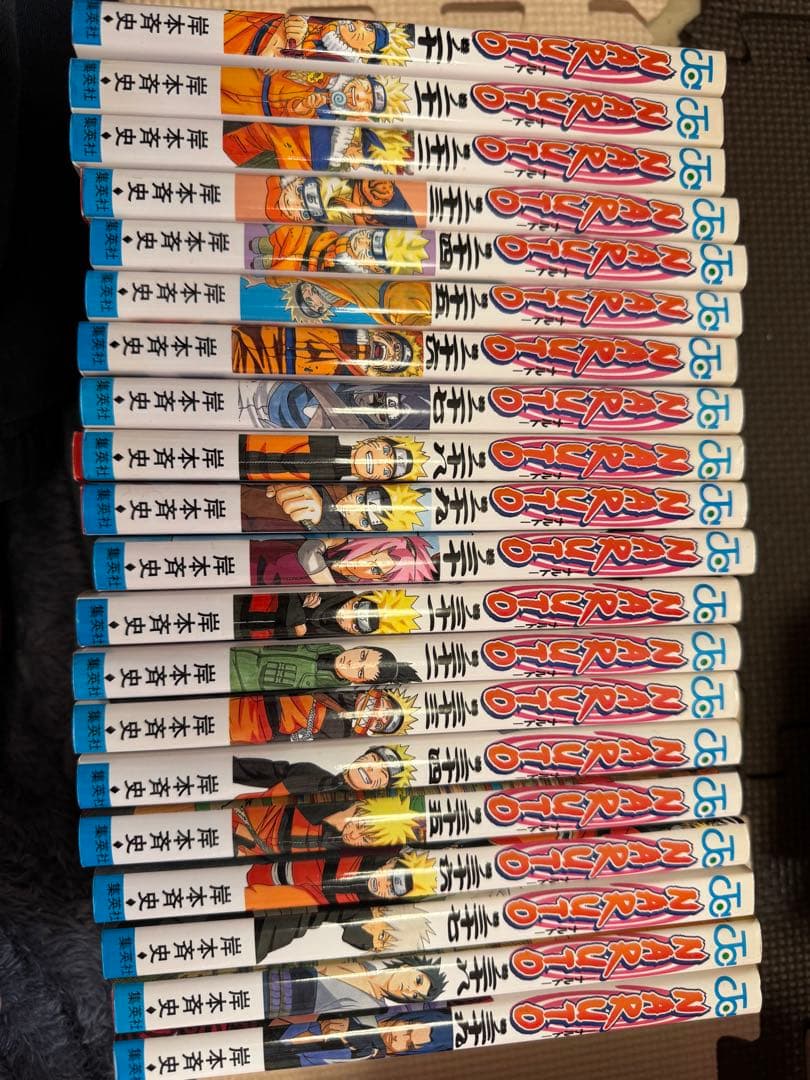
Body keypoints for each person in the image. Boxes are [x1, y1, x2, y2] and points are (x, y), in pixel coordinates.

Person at [243, 847, 437, 909]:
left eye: (392, 890)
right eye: (390, 877)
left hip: (272, 896)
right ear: (391, 862)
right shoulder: (360, 853)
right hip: (268, 864)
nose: (383, 885)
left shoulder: (361, 906)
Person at [228, 685, 418, 743]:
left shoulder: (345, 733)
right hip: (260, 699)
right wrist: (341, 711)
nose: (377, 715)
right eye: (385, 709)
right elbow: (319, 695)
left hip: (263, 728)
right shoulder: (347, 684)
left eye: (380, 724)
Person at [262, 1009, 453, 1067]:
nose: (398, 1038)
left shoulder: (371, 1053)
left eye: (409, 1044)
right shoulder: (376, 1008)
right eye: (408, 1029)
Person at [231, 323, 423, 377]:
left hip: (287, 365)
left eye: (395, 361)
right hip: (286, 337)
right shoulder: (359, 333)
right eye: (396, 347)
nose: (392, 354)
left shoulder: (357, 370)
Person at [248, 535, 439, 587]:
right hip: (255, 556)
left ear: (380, 579)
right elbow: (308, 552)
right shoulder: (339, 543)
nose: (364, 561)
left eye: (375, 569)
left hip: (259, 584)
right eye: (373, 553)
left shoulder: (347, 587)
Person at [229, 641, 421, 693]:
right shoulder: (323, 645)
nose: (352, 662)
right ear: (359, 647)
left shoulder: (323, 687)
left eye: (360, 671)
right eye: (362, 655)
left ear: (358, 681)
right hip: (238, 652)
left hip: (239, 681)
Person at [233, 587, 421, 639]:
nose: (346, 616)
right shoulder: (336, 590)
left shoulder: (337, 636)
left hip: (254, 631)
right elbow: (287, 586)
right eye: (356, 607)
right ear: (361, 595)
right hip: (248, 604)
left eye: (357, 625)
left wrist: (298, 628)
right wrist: (301, 607)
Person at [240, 482, 429, 533]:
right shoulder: (340, 481)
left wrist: (322, 516)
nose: (351, 509)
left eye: (364, 521)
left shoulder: (337, 530)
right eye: (360, 499)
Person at [231, 744, 416, 796]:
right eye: (373, 759)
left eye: (382, 774)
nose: (370, 769)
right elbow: (242, 770)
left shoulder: (351, 825)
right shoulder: (308, 770)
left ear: (381, 788)